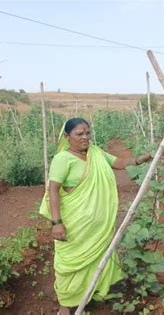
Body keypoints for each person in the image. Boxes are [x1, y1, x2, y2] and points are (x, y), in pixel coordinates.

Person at [39, 117, 152, 314]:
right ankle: (65, 306)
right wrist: (56, 223)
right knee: (69, 266)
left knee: (95, 262)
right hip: (74, 227)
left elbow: (118, 162)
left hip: (97, 228)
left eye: (87, 133)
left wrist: (140, 159)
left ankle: (88, 296)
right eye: (79, 134)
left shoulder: (96, 152)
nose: (85, 138)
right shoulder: (63, 159)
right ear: (67, 137)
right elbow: (53, 191)